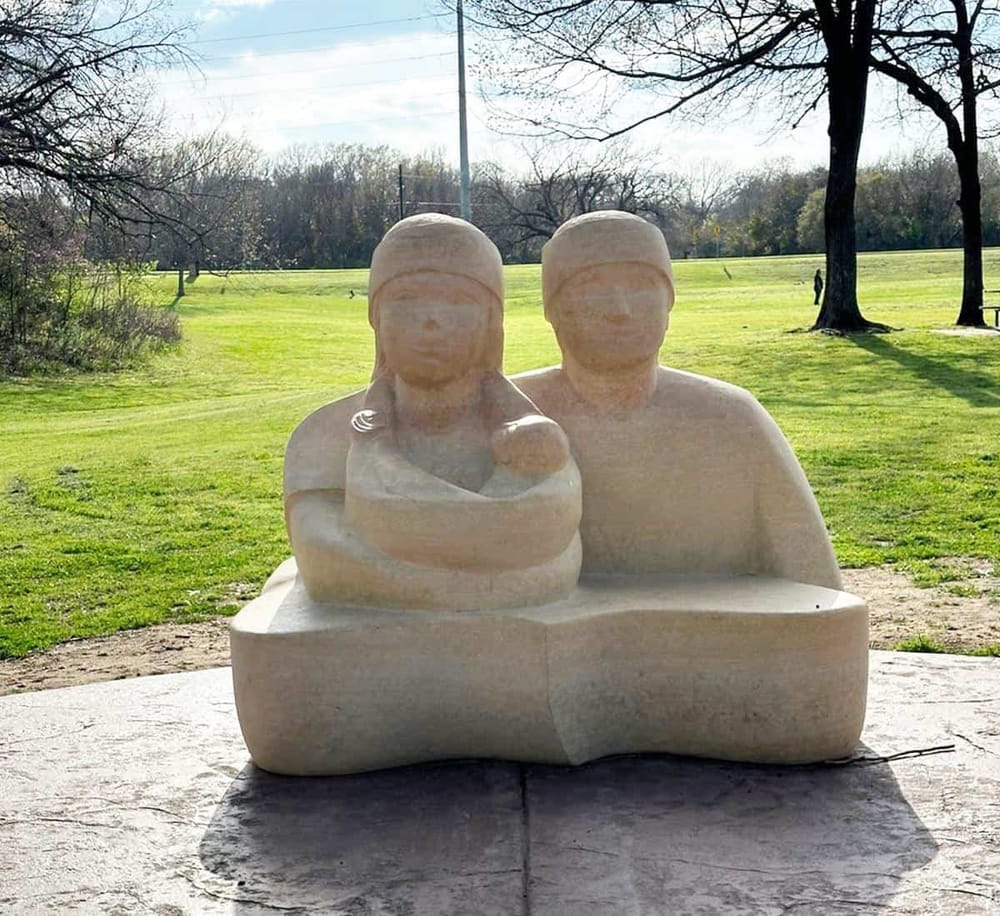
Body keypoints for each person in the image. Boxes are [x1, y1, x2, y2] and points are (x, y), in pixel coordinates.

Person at [515, 210, 842, 589]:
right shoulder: (507, 413)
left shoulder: (733, 419)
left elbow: (818, 593)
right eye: (592, 287)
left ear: (668, 303)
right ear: (553, 308)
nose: (620, 309)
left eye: (641, 285)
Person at [283, 213, 582, 610]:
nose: (431, 320)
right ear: (377, 317)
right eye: (406, 299)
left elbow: (560, 531)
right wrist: (494, 586)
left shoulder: (537, 438)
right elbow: (325, 561)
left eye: (458, 301)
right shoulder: (321, 438)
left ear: (491, 323)